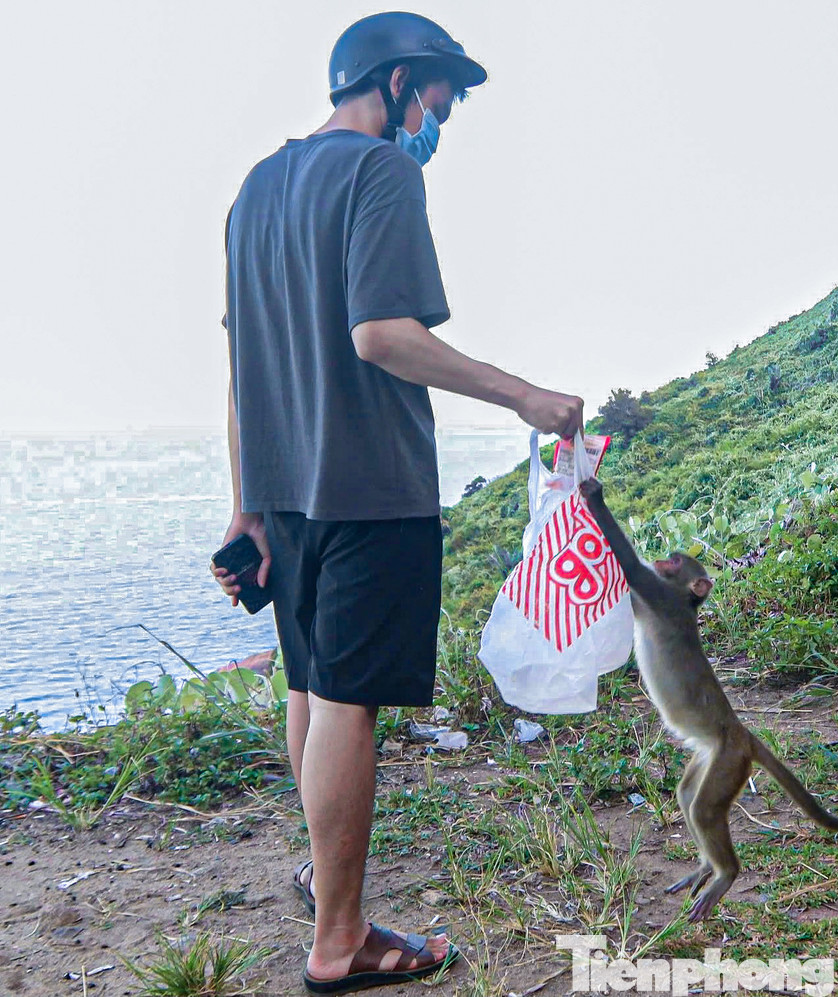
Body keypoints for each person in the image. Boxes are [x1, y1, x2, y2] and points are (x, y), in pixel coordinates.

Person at [211, 12, 584, 993]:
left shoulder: (255, 188)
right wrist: (525, 396)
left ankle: (322, 881)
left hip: (286, 492)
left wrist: (247, 504)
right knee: (348, 703)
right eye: (440, 101)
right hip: (369, 483)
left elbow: (243, 365)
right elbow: (382, 334)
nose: (440, 120)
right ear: (398, 82)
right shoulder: (380, 171)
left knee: (309, 687)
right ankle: (340, 942)